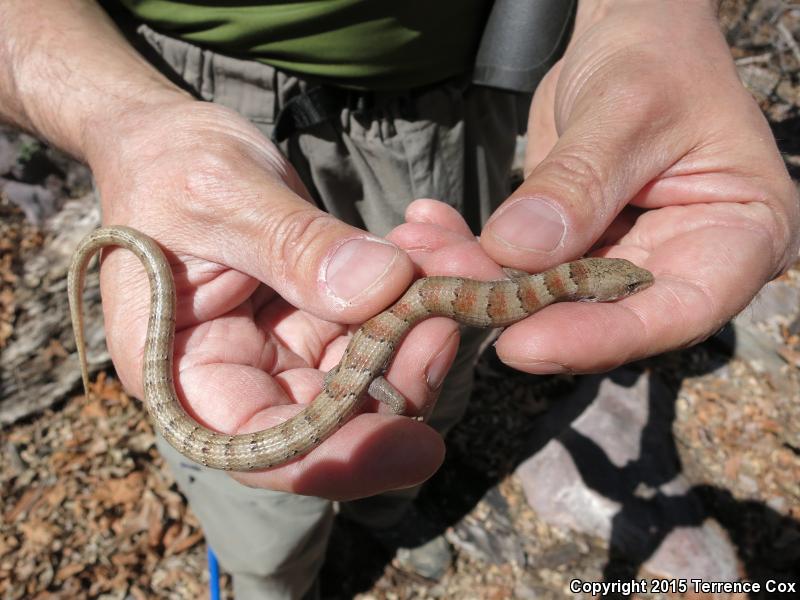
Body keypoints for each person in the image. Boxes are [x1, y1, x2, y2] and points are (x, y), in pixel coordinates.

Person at [1, 1, 797, 598]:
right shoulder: (520, 285)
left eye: (613, 279)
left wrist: (651, 17)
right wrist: (123, 122)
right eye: (616, 277)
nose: (622, 278)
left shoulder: (521, 274)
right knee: (269, 476)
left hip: (466, 95)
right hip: (188, 95)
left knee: (426, 396)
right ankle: (269, 577)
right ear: (585, 280)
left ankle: (389, 516)